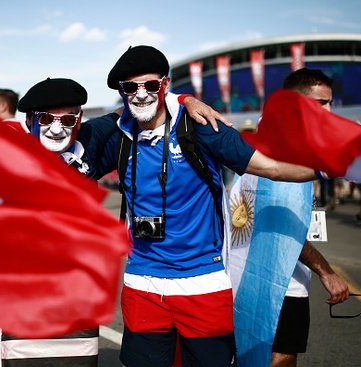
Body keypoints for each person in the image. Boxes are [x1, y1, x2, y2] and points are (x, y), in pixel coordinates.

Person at [102, 45, 320, 367]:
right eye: (130, 87)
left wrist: (336, 166)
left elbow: (272, 168)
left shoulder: (201, 127)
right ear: (122, 91)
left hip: (203, 283)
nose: (141, 94)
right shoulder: (116, 135)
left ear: (165, 84)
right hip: (142, 285)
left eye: (150, 85)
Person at [0, 77, 231, 366]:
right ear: (30, 119)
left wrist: (184, 100)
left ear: (79, 119)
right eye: (45, 118)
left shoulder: (88, 141)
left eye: (68, 118)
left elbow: (138, 108)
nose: (57, 127)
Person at [269, 68, 350, 367]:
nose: (328, 110)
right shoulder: (279, 151)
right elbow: (283, 227)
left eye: (330, 102)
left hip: (278, 276)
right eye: (319, 104)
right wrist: (326, 272)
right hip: (277, 281)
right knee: (281, 359)